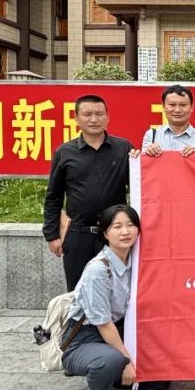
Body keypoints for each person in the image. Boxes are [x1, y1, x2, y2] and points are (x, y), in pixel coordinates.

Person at [61, 204, 141, 390]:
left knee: (158, 382)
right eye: (117, 226)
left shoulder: (133, 262)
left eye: (130, 225)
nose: (125, 231)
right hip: (83, 340)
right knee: (112, 360)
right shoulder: (98, 270)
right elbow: (104, 324)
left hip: (114, 332)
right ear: (105, 233)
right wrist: (127, 362)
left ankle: (113, 377)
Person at [43, 94, 134, 291]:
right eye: (87, 114)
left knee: (117, 291)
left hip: (114, 235)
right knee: (78, 292)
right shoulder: (64, 152)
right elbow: (53, 197)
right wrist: (52, 235)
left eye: (99, 114)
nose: (94, 119)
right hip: (78, 235)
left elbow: (138, 188)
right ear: (76, 118)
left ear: (108, 117)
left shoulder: (124, 149)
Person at [142, 84, 195, 155]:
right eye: (172, 105)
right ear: (163, 106)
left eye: (183, 105)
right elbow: (144, 161)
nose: (177, 110)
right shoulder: (152, 135)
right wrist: (149, 152)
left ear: (191, 107)